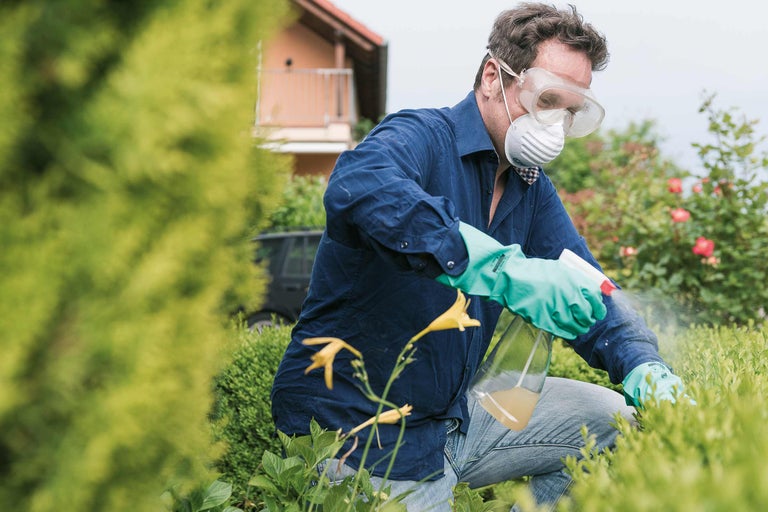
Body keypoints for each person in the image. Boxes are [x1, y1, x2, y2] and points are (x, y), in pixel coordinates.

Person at [271, 3, 688, 510]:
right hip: (363, 433)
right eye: (548, 99)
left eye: (571, 110)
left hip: (453, 418)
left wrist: (644, 365)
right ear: (494, 75)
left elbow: (588, 290)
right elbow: (362, 185)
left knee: (613, 420)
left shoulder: (530, 189)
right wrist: (497, 266)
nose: (556, 123)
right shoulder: (421, 137)